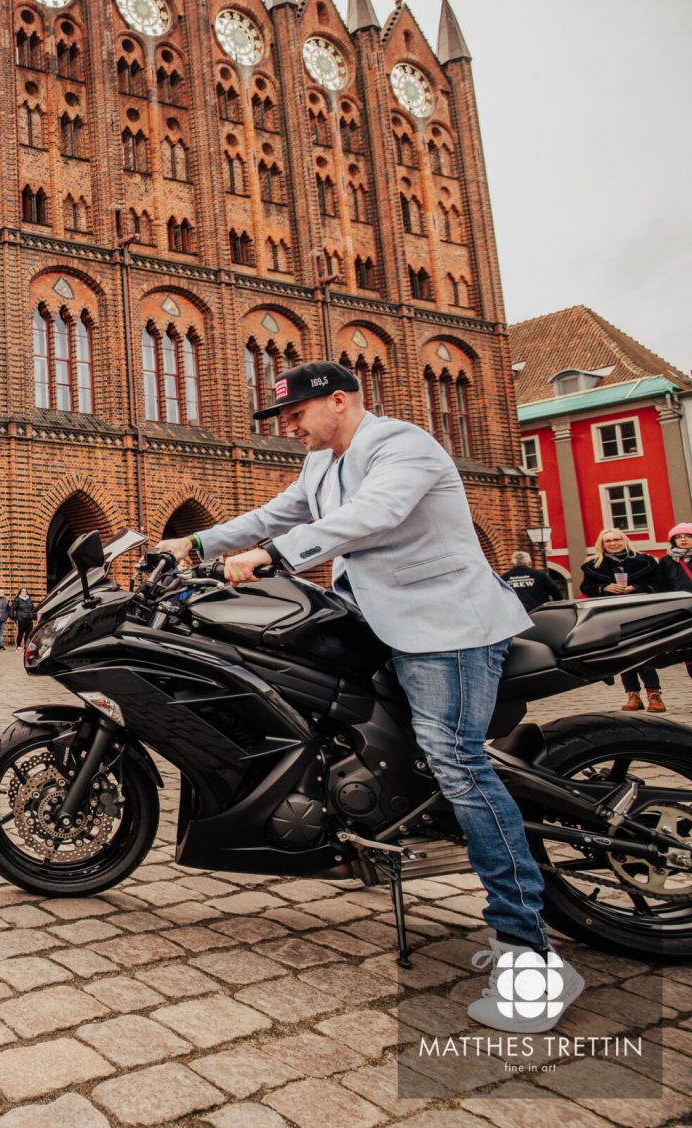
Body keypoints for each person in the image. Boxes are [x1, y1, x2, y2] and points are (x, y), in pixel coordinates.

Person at [156, 360, 581, 1033]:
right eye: (283, 418)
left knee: (457, 762)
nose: (290, 427)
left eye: (297, 414)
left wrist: (270, 557)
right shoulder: (320, 464)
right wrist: (196, 541)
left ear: (340, 401)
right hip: (383, 623)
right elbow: (273, 514)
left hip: (446, 626)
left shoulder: (402, 444)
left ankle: (527, 950)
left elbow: (370, 516)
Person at [581, 527, 663, 711]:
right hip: (613, 613)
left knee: (644, 652)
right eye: (608, 541)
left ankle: (654, 694)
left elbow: (659, 584)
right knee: (624, 654)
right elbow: (586, 587)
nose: (613, 543)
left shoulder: (645, 561)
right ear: (602, 544)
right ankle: (633, 695)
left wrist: (637, 587)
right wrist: (604, 588)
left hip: (641, 611)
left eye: (616, 539)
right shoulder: (593, 565)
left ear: (624, 540)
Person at [660, 523, 692, 685]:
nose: (683, 539)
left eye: (688, 536)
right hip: (682, 612)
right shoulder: (666, 561)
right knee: (689, 652)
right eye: (678, 537)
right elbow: (662, 586)